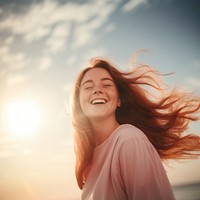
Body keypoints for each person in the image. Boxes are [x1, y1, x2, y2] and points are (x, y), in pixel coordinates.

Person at [71, 57, 200, 200]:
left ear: (119, 100)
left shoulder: (129, 140)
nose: (97, 90)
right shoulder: (90, 159)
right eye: (88, 87)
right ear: (79, 103)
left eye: (106, 85)